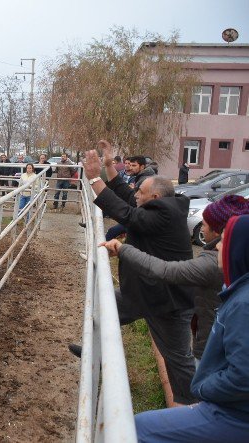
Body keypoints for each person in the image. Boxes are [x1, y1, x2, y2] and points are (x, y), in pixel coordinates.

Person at [83, 140, 196, 405]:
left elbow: (126, 214)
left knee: (178, 359)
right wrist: (109, 166)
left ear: (154, 198)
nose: (136, 194)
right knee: (103, 306)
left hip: (168, 302)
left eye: (141, 192)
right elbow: (125, 195)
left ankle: (190, 405)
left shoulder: (162, 216)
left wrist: (93, 179)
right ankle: (93, 351)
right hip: (147, 292)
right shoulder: (162, 207)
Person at [134, 214, 249, 442]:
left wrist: (204, 387)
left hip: (233, 413)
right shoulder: (237, 290)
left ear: (238, 250)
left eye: (224, 240)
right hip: (231, 405)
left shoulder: (244, 303)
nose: (217, 247)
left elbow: (243, 375)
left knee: (138, 428)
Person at [102, 195, 249, 367]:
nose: (201, 228)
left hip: (211, 347)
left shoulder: (212, 263)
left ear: (219, 232)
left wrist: (123, 249)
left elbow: (163, 270)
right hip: (209, 337)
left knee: (183, 363)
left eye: (205, 224)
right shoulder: (229, 258)